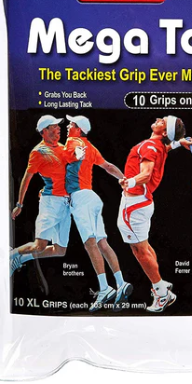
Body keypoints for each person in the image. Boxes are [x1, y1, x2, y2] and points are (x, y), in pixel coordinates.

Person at [118, 116, 192, 313]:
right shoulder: (158, 145)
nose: (159, 119)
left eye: (163, 121)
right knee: (143, 247)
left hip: (134, 204)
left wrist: (129, 182)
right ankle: (161, 284)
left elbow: (146, 175)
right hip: (141, 202)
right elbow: (165, 148)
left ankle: (161, 294)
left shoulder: (150, 146)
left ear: (165, 131)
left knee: (140, 252)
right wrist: (180, 142)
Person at [64, 115, 132, 311]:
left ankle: (104, 288)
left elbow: (74, 154)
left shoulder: (73, 141)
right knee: (102, 243)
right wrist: (124, 179)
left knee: (90, 243)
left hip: (80, 198)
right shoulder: (91, 147)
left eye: (71, 124)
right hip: (93, 198)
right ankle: (121, 283)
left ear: (78, 129)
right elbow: (108, 166)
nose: (68, 126)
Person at [10, 115, 73, 275]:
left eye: (58, 126)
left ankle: (20, 259)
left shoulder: (63, 148)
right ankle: (8, 256)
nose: (58, 128)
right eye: (54, 126)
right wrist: (19, 204)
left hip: (66, 204)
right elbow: (26, 178)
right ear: (44, 131)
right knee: (39, 246)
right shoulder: (38, 152)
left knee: (60, 250)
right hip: (50, 203)